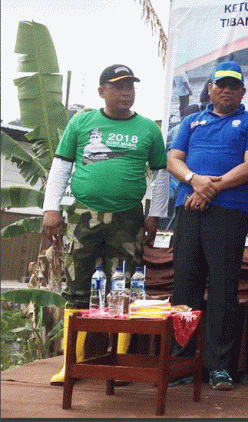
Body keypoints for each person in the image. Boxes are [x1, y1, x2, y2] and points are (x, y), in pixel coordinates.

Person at [43, 64, 169, 385]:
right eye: (118, 86)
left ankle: (120, 364)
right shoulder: (81, 122)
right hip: (82, 217)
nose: (126, 92)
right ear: (102, 91)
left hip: (128, 218)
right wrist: (50, 209)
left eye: (130, 87)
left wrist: (155, 215)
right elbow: (61, 166)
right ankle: (71, 365)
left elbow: (160, 176)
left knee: (124, 289)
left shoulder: (148, 129)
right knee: (76, 289)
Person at [167, 61, 248, 391]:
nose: (226, 90)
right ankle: (182, 361)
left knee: (224, 288)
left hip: (228, 212)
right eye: (220, 84)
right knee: (185, 287)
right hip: (189, 210)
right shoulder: (191, 121)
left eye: (232, 85)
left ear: (242, 91)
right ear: (210, 88)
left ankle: (219, 366)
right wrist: (194, 180)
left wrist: (209, 189)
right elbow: (173, 159)